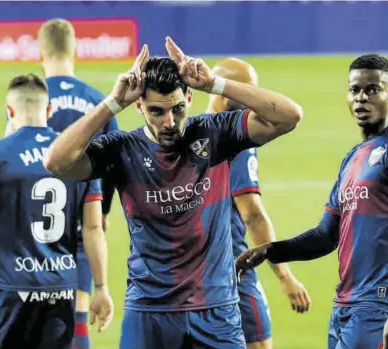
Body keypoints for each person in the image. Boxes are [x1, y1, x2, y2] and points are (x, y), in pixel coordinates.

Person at [43, 37, 303, 348]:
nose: (169, 122)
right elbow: (56, 162)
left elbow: (289, 116)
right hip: (149, 311)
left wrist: (215, 83)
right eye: (156, 112)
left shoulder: (215, 133)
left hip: (216, 310)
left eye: (177, 109)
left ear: (190, 99)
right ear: (138, 106)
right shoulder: (122, 150)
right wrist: (113, 102)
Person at [236, 54, 388, 349]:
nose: (362, 98)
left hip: (382, 304)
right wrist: (270, 250)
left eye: (372, 89)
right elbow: (326, 235)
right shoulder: (352, 159)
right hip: (346, 304)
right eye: (355, 90)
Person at [0, 74, 113, 349]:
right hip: (61, 288)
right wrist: (102, 288)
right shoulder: (80, 157)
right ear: (48, 111)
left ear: (9, 111)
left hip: (12, 290)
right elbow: (93, 229)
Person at [0, 18, 118, 348]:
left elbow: (7, 160)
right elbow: (114, 165)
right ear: (74, 49)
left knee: (29, 315)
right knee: (78, 308)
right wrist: (102, 213)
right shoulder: (99, 104)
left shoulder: (31, 100)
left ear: (40, 52)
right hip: (81, 219)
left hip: (29, 230)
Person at [206, 57, 311, 349]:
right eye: (246, 90)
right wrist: (284, 275)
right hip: (231, 269)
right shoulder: (235, 137)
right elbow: (252, 214)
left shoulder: (185, 131)